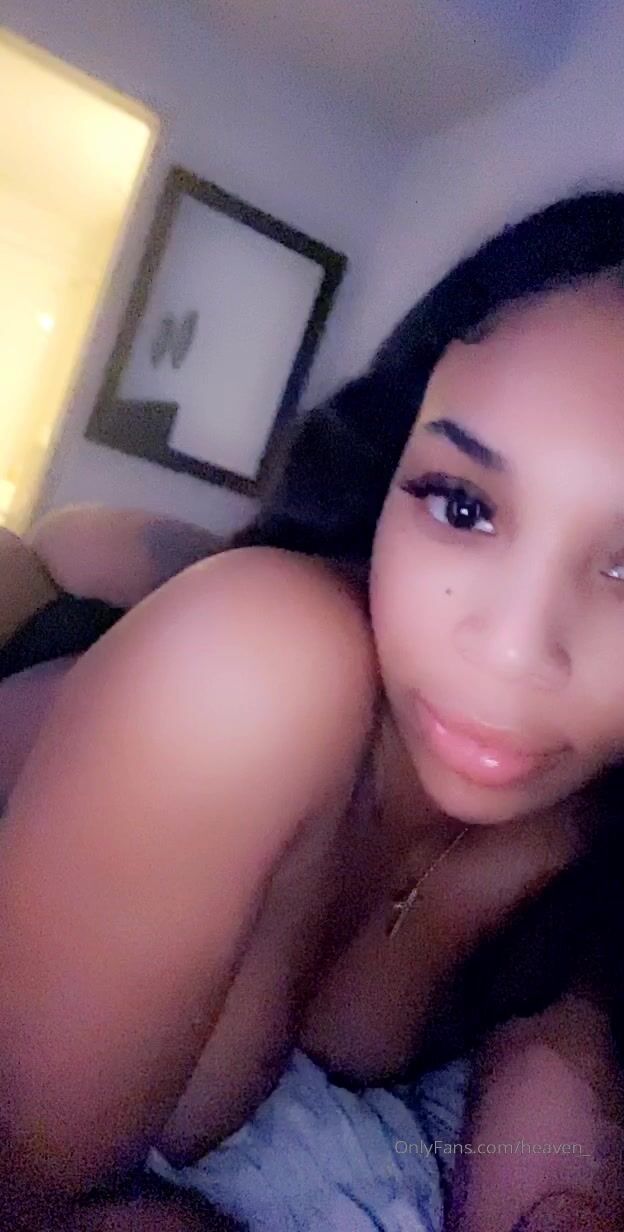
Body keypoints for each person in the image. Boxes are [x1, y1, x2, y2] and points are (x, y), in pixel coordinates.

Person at [3, 190, 624, 1231]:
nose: (514, 650)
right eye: (463, 504)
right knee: (67, 552)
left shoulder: (584, 852)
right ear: (395, 466)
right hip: (57, 652)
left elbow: (558, 1136)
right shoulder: (256, 665)